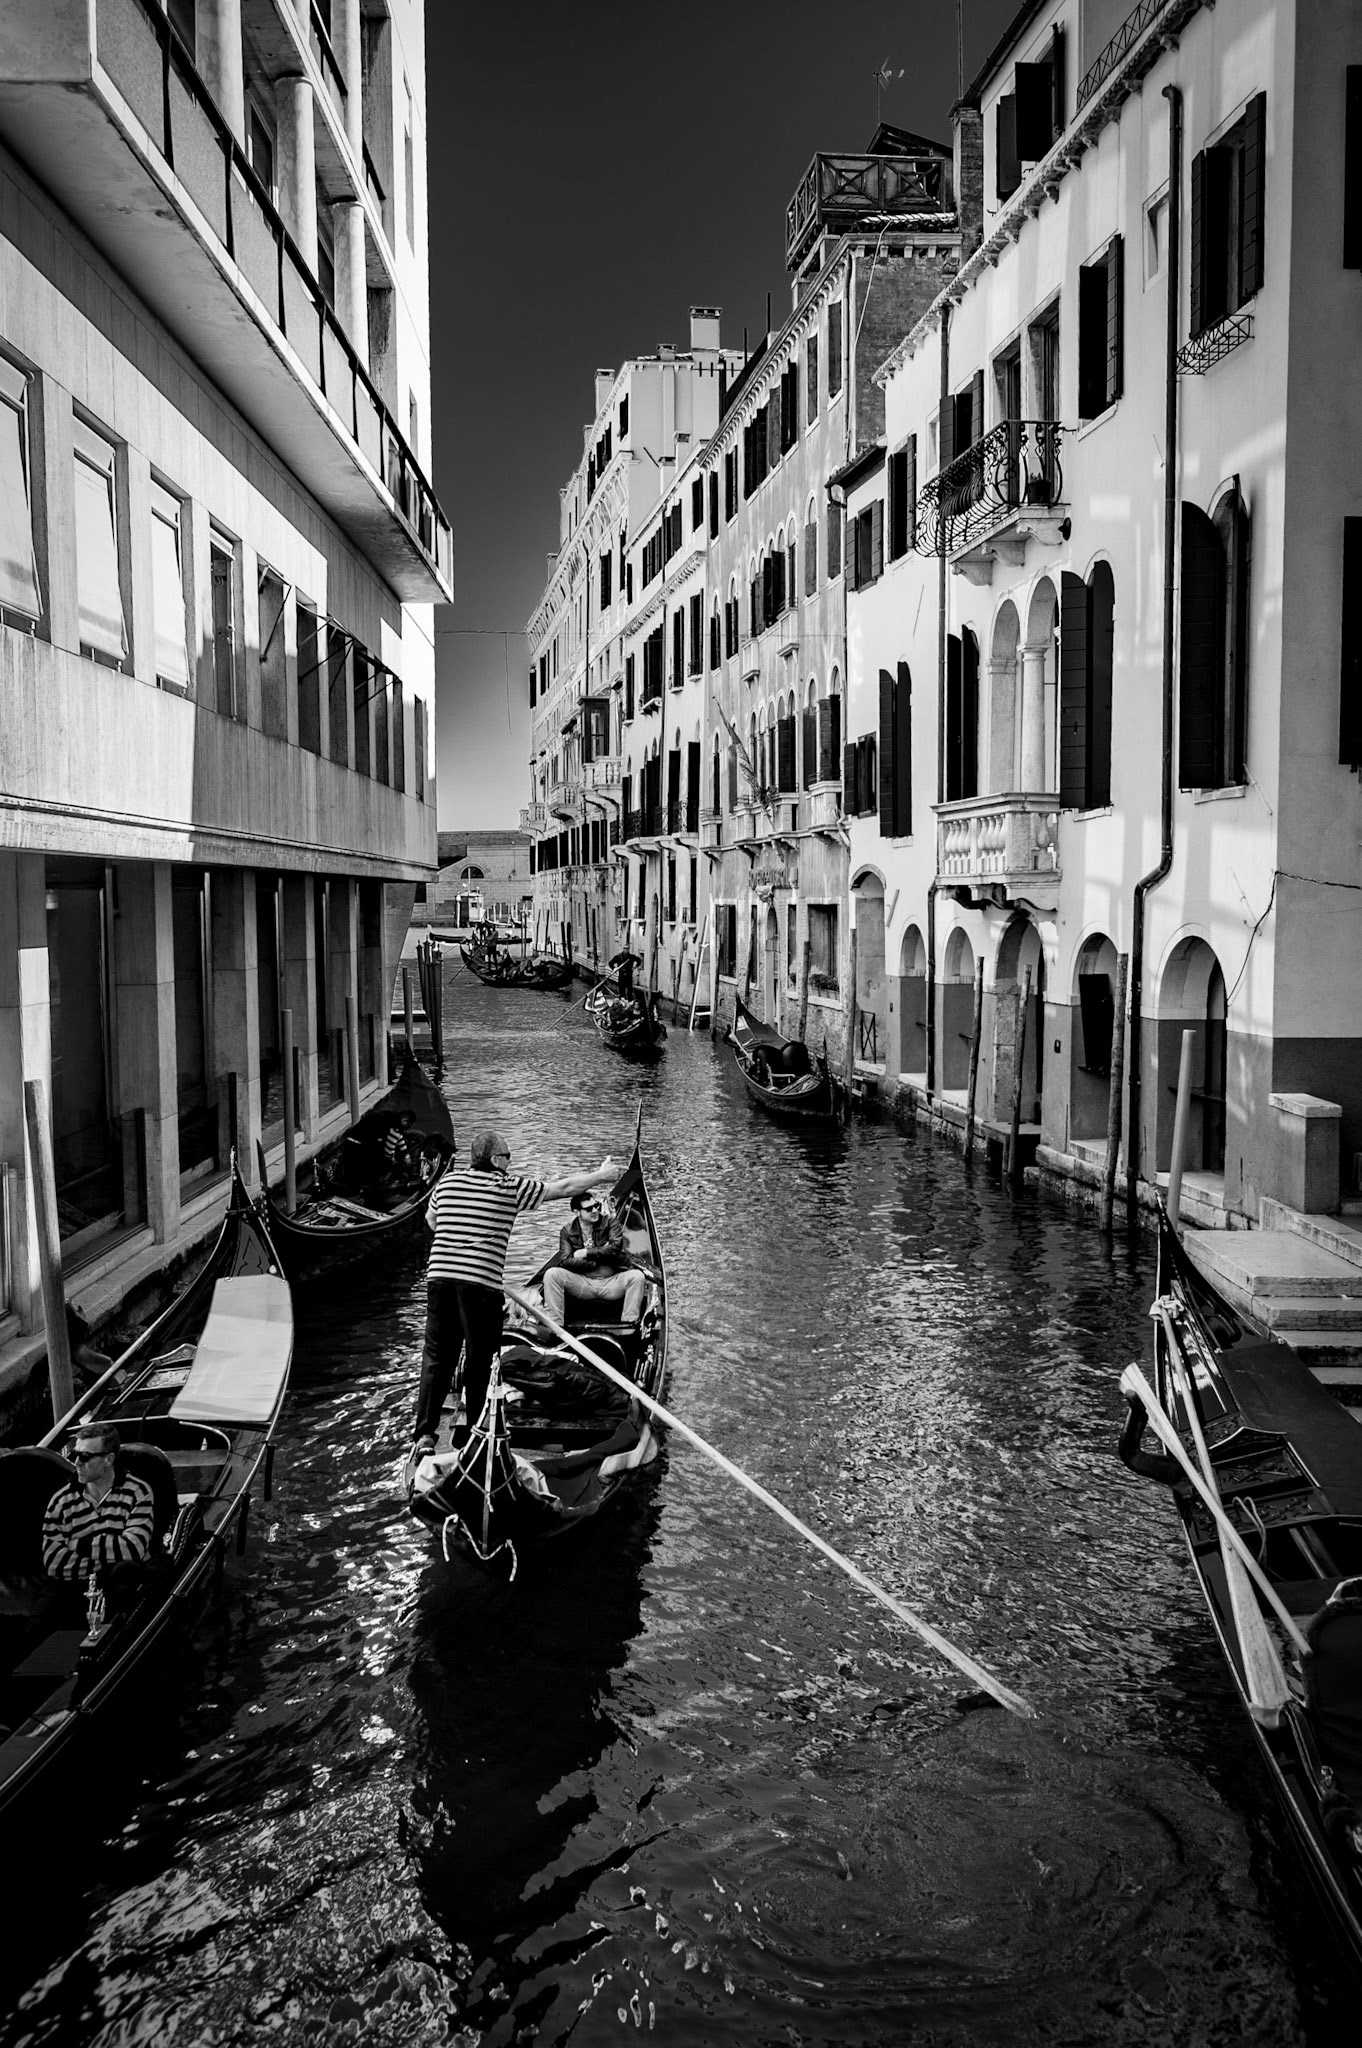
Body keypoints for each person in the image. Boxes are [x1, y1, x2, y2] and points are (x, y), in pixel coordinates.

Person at [412, 1131, 619, 1453]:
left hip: (440, 1279)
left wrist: (460, 1243)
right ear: (496, 1161)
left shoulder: (447, 1183)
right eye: (508, 1156)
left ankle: (425, 1435)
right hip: (480, 1284)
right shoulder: (509, 1187)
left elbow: (431, 1219)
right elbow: (563, 1188)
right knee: (481, 1360)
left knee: (438, 1357)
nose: (511, 1162)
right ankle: (478, 1433)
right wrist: (602, 1175)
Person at [41, 1422, 156, 1591]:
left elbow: (133, 1549)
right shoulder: (61, 1500)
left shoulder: (138, 1492)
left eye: (85, 1456)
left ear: (108, 1460)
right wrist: (109, 1559)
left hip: (120, 1583)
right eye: (75, 1455)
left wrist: (79, 1546)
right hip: (71, 1587)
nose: (77, 1463)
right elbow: (53, 1563)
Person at [543, 1191, 646, 1329]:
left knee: (637, 1277)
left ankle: (628, 1326)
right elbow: (566, 1261)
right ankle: (555, 1327)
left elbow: (615, 1249)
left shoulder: (611, 1222)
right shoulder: (567, 1231)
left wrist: (586, 1252)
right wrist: (599, 1258)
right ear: (577, 1212)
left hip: (612, 1282)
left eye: (596, 1206)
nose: (595, 1210)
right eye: (589, 1208)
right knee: (551, 1274)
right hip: (583, 1283)